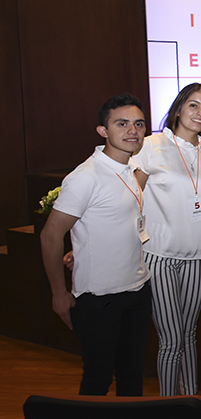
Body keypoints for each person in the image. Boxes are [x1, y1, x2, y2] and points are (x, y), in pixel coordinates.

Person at [40, 94, 152, 395]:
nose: (133, 130)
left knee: (132, 377)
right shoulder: (85, 177)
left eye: (139, 124)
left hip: (137, 291)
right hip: (99, 298)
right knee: (97, 380)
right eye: (122, 123)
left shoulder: (129, 168)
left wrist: (83, 247)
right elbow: (50, 235)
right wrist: (58, 293)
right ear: (103, 130)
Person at [132, 83, 201, 396]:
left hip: (198, 257)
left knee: (189, 335)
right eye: (194, 105)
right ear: (179, 107)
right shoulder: (152, 145)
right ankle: (167, 411)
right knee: (170, 340)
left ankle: (191, 402)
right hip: (159, 255)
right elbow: (130, 199)